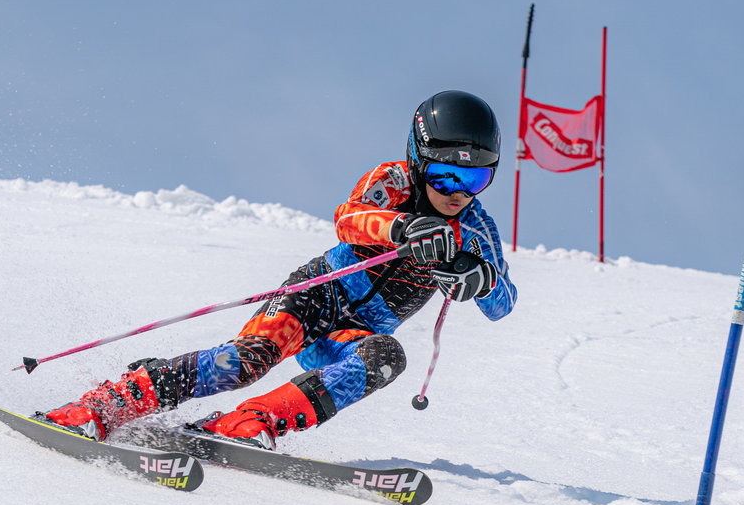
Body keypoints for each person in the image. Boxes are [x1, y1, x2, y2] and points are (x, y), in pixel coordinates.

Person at [42, 90, 517, 450]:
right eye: (444, 175)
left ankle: (249, 422)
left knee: (385, 357)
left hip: (351, 334)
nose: (458, 191)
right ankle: (112, 401)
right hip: (315, 297)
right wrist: (404, 228)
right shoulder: (392, 181)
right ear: (418, 160)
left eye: (475, 177)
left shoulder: (476, 229)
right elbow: (348, 219)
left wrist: (480, 279)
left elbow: (503, 303)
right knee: (246, 361)